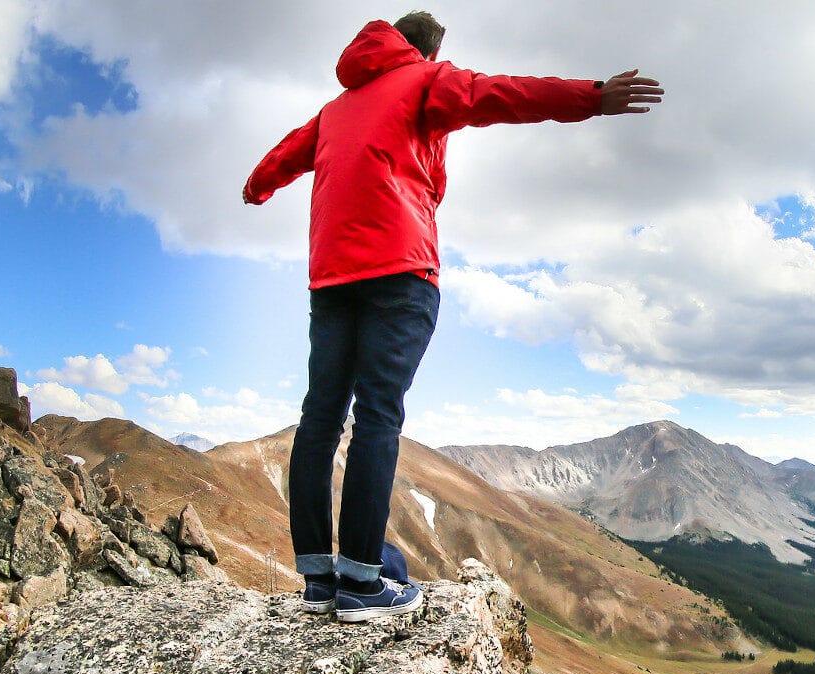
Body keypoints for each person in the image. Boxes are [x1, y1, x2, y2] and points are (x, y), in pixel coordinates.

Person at [242, 11, 662, 623]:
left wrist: (256, 187)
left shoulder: (337, 109)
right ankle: (362, 581)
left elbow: (283, 156)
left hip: (331, 278)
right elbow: (502, 94)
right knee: (378, 413)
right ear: (426, 50)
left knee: (320, 418)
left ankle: (319, 578)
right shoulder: (427, 81)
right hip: (398, 270)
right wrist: (592, 98)